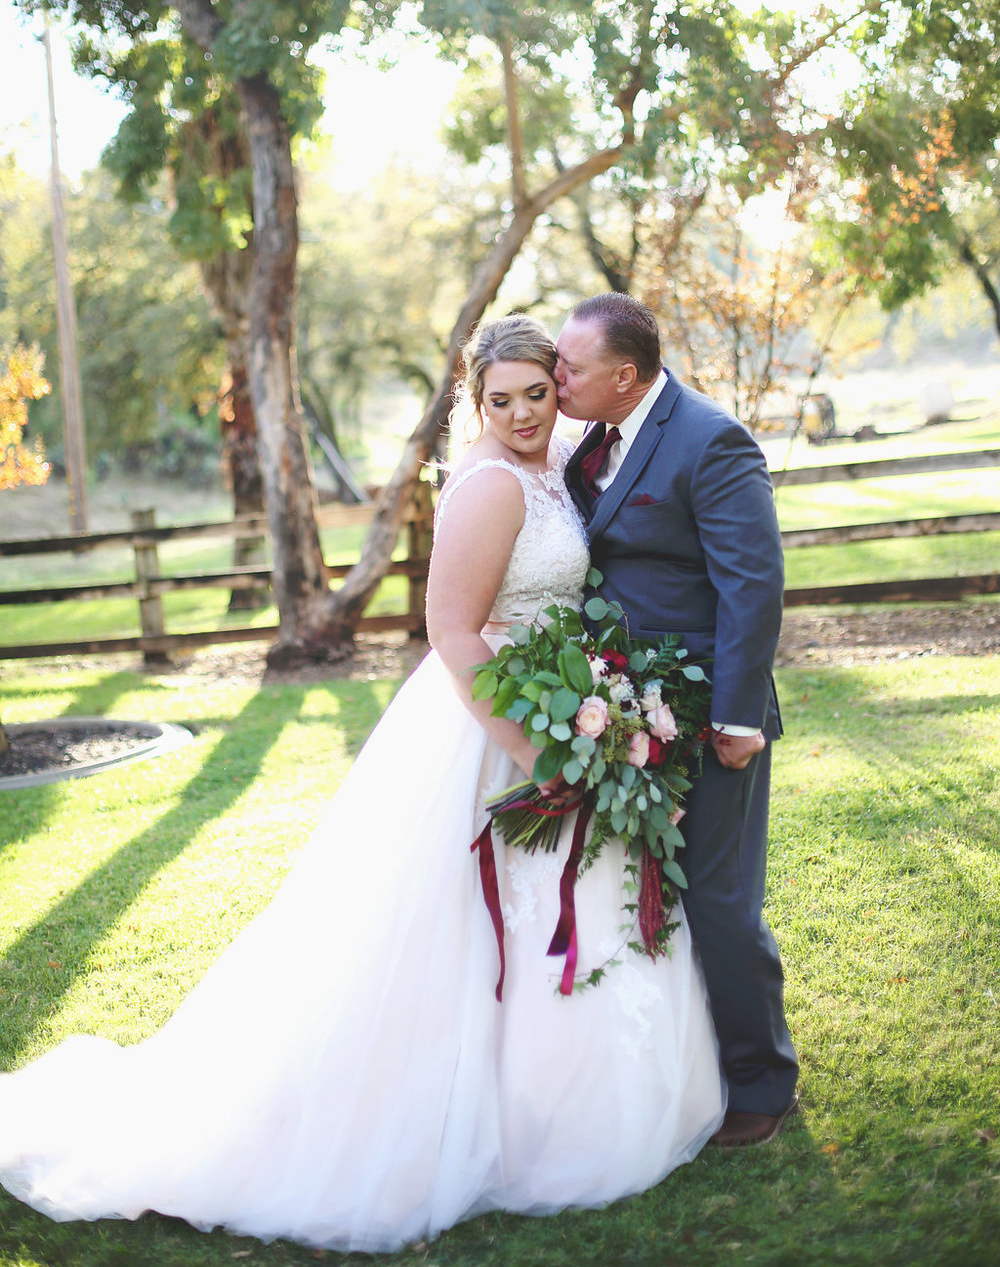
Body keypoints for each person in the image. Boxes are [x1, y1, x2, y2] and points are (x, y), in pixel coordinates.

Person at [0, 314, 724, 1255]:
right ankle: (456, 1124)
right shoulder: (491, 485)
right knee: (456, 929)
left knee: (570, 908)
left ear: (561, 388)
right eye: (497, 400)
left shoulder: (565, 463)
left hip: (563, 699)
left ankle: (556, 1112)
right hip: (489, 717)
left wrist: (594, 705)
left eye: (536, 394)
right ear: (476, 404)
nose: (519, 414)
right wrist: (532, 746)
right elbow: (454, 632)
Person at [555, 293, 799, 1147]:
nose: (556, 378)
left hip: (708, 715)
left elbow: (752, 586)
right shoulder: (593, 438)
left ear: (625, 376)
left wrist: (737, 717)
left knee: (720, 897)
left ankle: (764, 1086)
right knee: (651, 891)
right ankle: (684, 1066)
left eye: (570, 366)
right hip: (624, 710)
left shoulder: (712, 440)